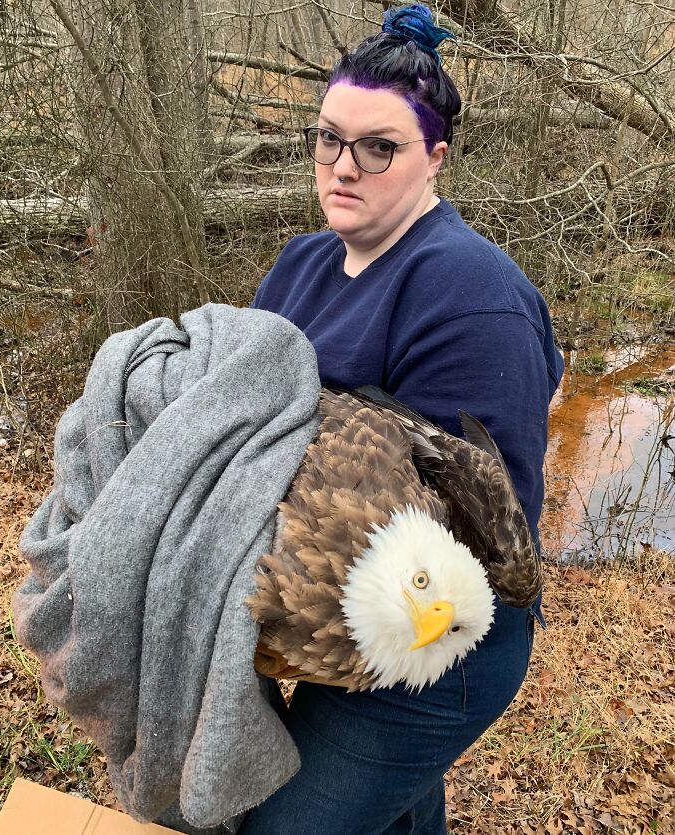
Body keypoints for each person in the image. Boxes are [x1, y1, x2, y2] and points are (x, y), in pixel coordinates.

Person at [239, 5, 564, 833]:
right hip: (329, 610)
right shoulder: (302, 262)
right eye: (328, 139)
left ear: (435, 158)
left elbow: (488, 536)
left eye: (379, 147)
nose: (343, 167)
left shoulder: (472, 297)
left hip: (434, 647)